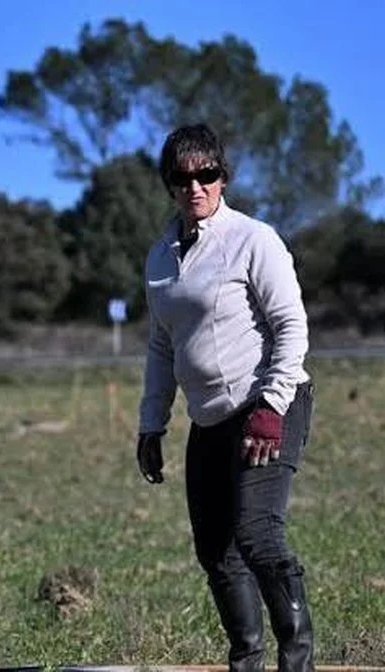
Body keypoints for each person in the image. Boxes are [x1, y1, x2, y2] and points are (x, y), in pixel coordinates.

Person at [136, 123, 315, 672]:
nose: (196, 187)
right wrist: (151, 425)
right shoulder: (160, 260)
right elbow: (162, 348)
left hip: (266, 405)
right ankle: (247, 660)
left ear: (222, 177)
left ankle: (298, 657)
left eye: (206, 175)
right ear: (169, 184)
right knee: (215, 551)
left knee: (257, 535)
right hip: (208, 417)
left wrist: (272, 406)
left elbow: (291, 325)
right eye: (183, 178)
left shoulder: (253, 240)